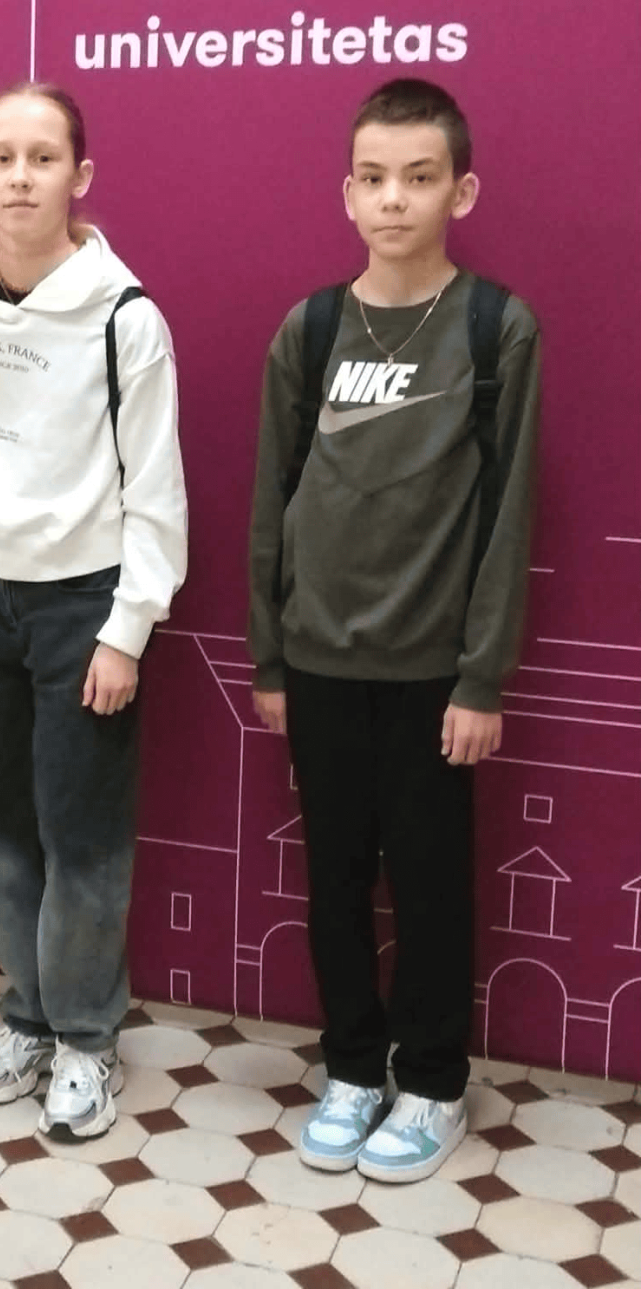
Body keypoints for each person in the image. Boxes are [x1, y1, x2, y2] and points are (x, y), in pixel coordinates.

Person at [248, 78, 539, 1184]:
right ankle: (353, 1070)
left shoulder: (496, 328)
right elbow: (273, 501)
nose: (394, 199)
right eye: (373, 178)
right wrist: (271, 655)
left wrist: (482, 678)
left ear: (461, 190)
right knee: (333, 879)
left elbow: (509, 516)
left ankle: (431, 1084)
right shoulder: (312, 328)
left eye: (419, 178)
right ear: (347, 193)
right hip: (319, 662)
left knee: (427, 884)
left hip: (433, 675)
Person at [0, 81, 187, 1142]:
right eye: (3, 158)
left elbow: (156, 491)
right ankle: (28, 1013)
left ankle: (84, 1038)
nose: (21, 177)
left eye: (43, 158)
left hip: (85, 614)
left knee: (82, 840)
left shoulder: (125, 318)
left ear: (79, 176)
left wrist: (126, 630)